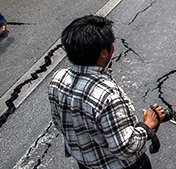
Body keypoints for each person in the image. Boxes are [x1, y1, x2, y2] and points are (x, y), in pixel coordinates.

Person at [48, 15, 168, 169]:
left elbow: (59, 123)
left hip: (85, 164)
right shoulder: (107, 96)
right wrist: (147, 125)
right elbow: (125, 148)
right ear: (104, 53)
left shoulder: (58, 79)